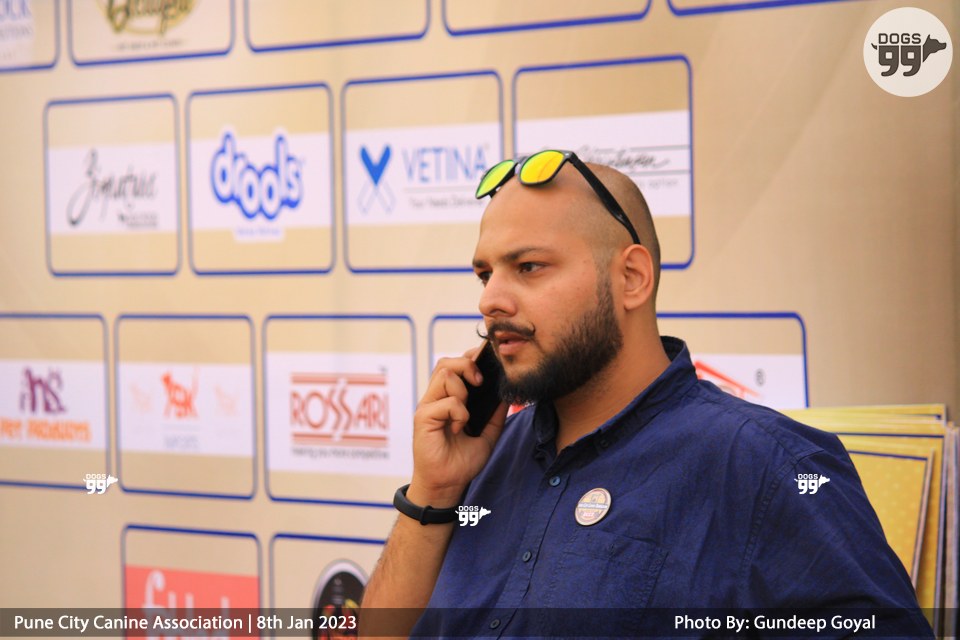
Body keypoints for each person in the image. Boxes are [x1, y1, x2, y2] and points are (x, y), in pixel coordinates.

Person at [360, 151, 933, 638]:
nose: (490, 300)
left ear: (632, 278)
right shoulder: (478, 461)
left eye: (529, 267)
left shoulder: (769, 467)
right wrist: (433, 493)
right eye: (486, 274)